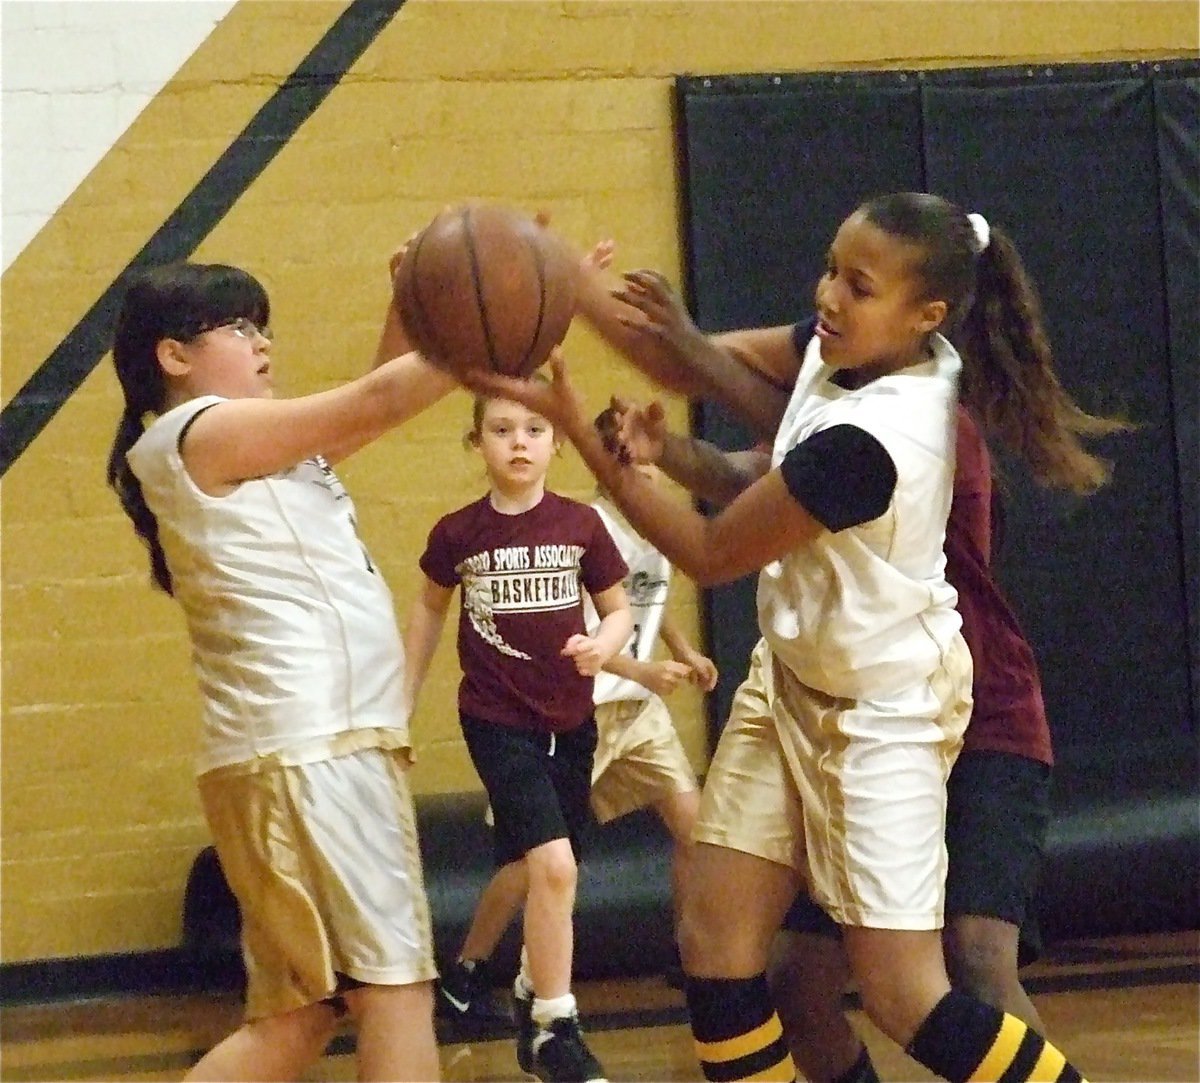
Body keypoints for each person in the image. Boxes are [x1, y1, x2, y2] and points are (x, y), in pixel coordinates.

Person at [471, 192, 1094, 1083]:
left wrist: (572, 416)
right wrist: (556, 274)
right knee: (719, 942)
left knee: (912, 990)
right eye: (831, 269)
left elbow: (711, 550)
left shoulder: (889, 434)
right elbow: (719, 427)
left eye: (859, 284)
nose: (830, 296)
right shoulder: (843, 351)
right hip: (794, 676)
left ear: (928, 315)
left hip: (888, 710)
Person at [106, 257, 458, 1081]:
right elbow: (378, 399)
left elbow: (366, 412)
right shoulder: (199, 429)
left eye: (264, 325)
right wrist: (490, 322)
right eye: (239, 327)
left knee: (297, 1015)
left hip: (285, 753)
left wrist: (409, 304)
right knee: (396, 990)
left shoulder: (244, 441)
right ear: (173, 355)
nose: (263, 343)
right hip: (312, 750)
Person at [436, 419, 718, 1029]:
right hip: (583, 704)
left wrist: (683, 648)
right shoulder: (581, 529)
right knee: (528, 860)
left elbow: (644, 600)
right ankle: (469, 967)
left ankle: (697, 959)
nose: (646, 474)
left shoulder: (655, 527)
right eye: (633, 465)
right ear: (605, 466)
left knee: (697, 827)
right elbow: (575, 635)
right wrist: (641, 670)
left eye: (652, 465)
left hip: (639, 715)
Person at [402, 390, 633, 1083]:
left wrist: (604, 641)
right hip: (497, 721)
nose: (519, 441)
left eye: (535, 428)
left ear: (556, 442)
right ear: (476, 442)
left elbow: (619, 610)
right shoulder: (458, 534)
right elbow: (425, 615)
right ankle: (557, 1023)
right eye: (501, 430)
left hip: (572, 720)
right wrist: (399, 707)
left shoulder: (582, 523)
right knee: (554, 865)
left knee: (556, 870)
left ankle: (536, 990)